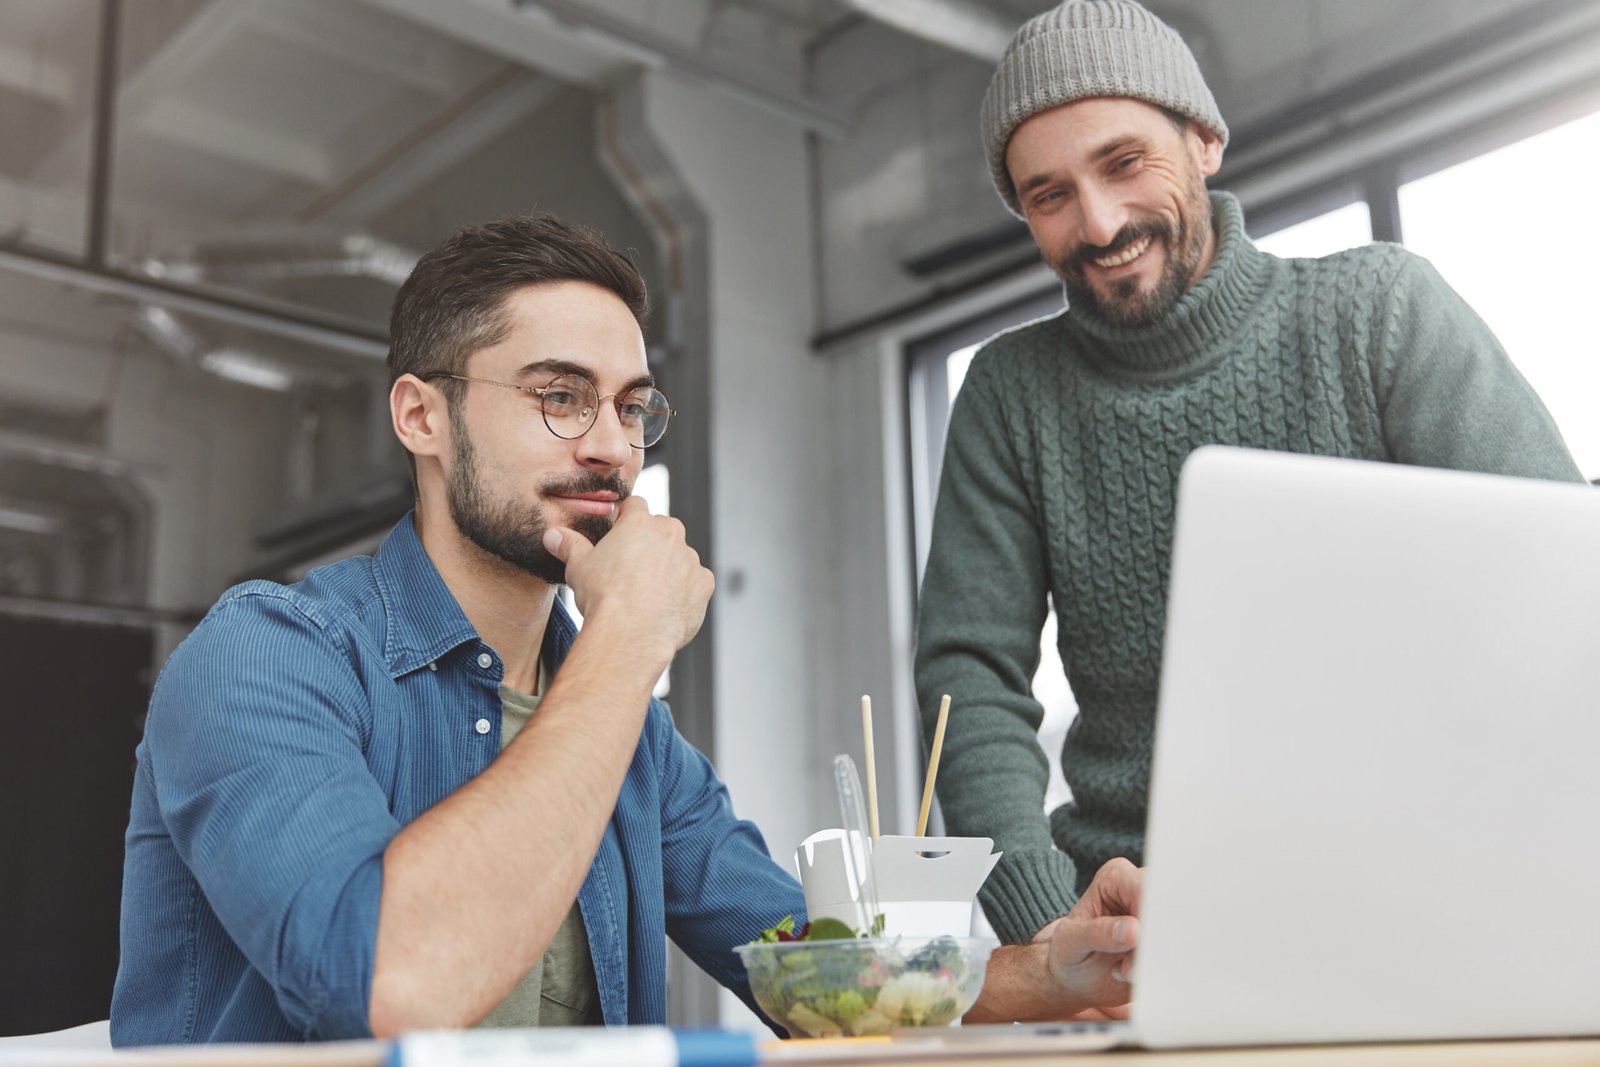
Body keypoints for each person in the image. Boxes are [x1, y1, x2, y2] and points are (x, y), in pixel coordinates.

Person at [112, 212, 1140, 1045]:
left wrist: (1050, 969)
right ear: (421, 416)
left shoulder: (629, 735)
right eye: (559, 396)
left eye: (630, 407)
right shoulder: (268, 655)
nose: (610, 447)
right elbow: (392, 986)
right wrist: (627, 640)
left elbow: (810, 970)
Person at [914, 0, 1586, 952]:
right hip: (1145, 922)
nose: (1098, 222)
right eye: (1049, 194)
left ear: (1205, 140)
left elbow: (1562, 587)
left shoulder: (1381, 313)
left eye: (1122, 162)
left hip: (1442, 893)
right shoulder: (1010, 392)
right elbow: (968, 674)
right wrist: (1045, 926)